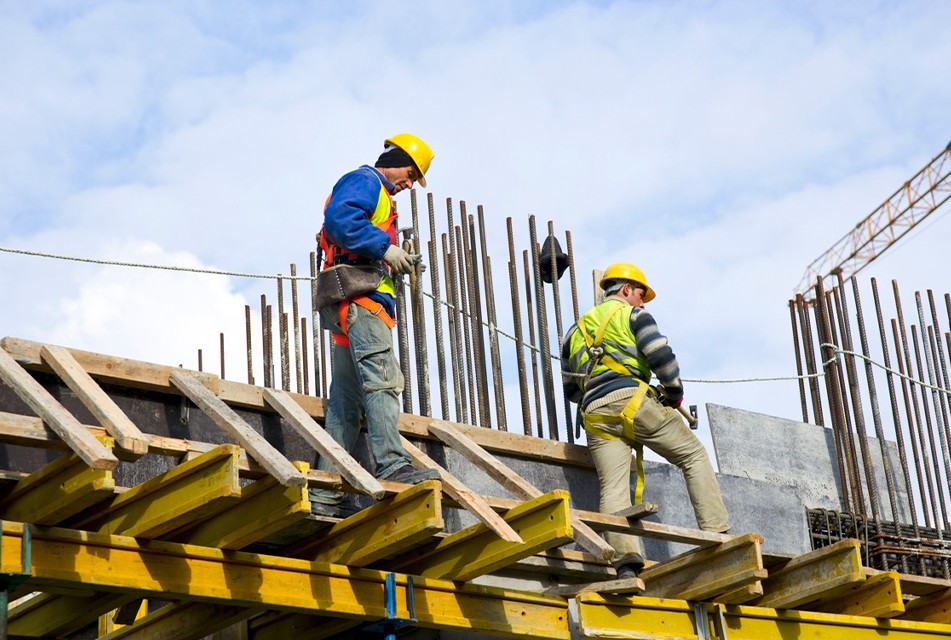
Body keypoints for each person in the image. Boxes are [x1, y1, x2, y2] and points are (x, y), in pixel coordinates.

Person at [561, 262, 729, 577]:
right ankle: (718, 535)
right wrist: (674, 393)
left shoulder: (574, 332)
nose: (642, 301)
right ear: (626, 290)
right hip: (634, 402)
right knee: (693, 455)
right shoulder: (634, 316)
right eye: (640, 294)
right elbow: (661, 357)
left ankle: (625, 564)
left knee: (612, 486)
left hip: (595, 415)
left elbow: (571, 390)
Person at [310, 133, 440, 517]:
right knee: (383, 381)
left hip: (349, 304)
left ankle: (325, 492)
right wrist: (386, 249)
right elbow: (341, 220)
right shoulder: (367, 181)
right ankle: (393, 464)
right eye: (411, 173)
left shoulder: (380, 195)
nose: (410, 184)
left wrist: (389, 254)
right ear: (397, 160)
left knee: (346, 404)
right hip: (361, 303)